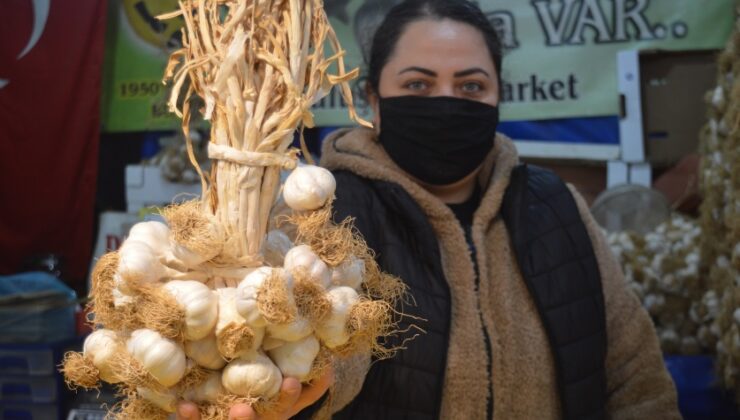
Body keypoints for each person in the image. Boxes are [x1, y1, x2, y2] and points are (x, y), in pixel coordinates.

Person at [179, 0, 680, 418]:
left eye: (471, 87)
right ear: (374, 101)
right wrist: (305, 391)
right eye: (418, 85)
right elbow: (316, 361)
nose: (447, 101)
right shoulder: (322, 214)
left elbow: (635, 377)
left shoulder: (557, 207)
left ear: (499, 97)